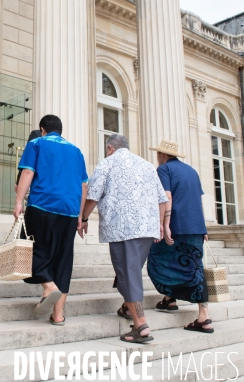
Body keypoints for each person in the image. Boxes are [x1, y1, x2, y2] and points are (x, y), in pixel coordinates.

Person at [79, 134, 168, 343]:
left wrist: (83, 217)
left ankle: (141, 325)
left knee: (128, 274)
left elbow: (93, 195)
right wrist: (161, 224)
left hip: (123, 228)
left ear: (110, 148)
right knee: (130, 271)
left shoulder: (107, 163)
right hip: (147, 228)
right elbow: (162, 199)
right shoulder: (146, 165)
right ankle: (129, 309)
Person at [13, 115, 88, 326]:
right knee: (63, 262)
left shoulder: (37, 143)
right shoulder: (76, 151)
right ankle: (58, 315)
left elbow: (28, 171)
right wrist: (81, 217)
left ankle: (49, 286)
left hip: (42, 207)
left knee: (28, 250)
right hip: (70, 213)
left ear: (42, 129)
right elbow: (84, 186)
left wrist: (19, 201)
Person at [147, 139, 213, 333]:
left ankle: (204, 318)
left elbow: (166, 197)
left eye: (158, 154)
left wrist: (164, 224)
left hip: (176, 225)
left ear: (163, 155)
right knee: (195, 268)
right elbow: (199, 201)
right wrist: (204, 228)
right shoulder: (192, 171)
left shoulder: (163, 170)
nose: (157, 157)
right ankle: (170, 299)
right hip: (195, 227)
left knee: (156, 259)